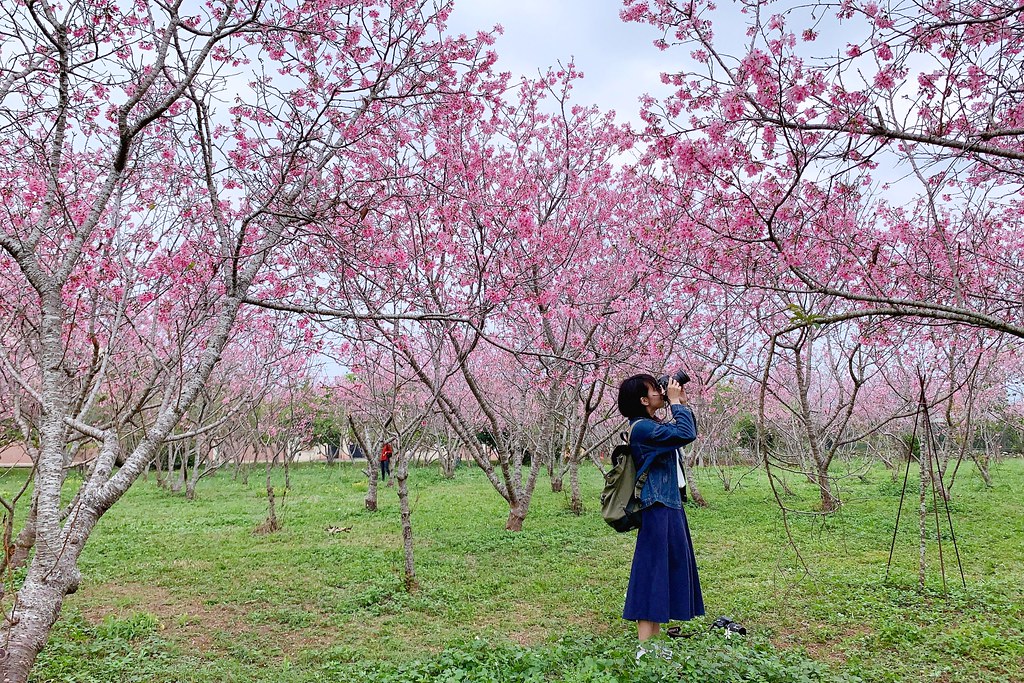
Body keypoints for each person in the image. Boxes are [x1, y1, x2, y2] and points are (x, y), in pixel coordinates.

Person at [617, 373, 704, 645]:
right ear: (643, 400)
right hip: (657, 507)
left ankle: (654, 646)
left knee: (663, 574)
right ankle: (645, 649)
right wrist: (676, 404)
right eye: (656, 389)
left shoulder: (652, 425)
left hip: (668, 506)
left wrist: (681, 404)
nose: (662, 391)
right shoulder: (642, 428)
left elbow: (687, 432)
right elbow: (685, 432)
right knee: (651, 574)